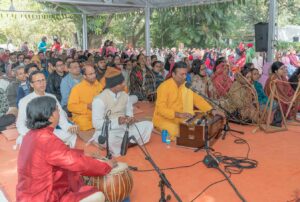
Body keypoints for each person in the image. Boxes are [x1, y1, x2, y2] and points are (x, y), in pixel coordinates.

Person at [17, 96, 113, 202]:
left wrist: (84, 154)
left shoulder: (29, 136)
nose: (59, 112)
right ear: (50, 117)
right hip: (46, 197)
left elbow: (58, 155)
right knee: (95, 192)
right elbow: (78, 163)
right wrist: (106, 166)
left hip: (26, 196)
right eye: (57, 109)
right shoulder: (47, 139)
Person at [153, 61, 222, 140]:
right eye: (182, 74)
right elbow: (161, 109)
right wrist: (178, 114)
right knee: (178, 131)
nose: (185, 77)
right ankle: (158, 129)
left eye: (186, 74)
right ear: (173, 74)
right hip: (164, 118)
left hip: (182, 116)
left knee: (200, 121)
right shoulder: (164, 87)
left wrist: (211, 110)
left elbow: (198, 100)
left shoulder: (186, 85)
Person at [91, 68, 153, 156]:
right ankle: (125, 143)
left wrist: (130, 119)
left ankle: (124, 144)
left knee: (148, 125)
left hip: (125, 127)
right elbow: (96, 124)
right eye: (121, 83)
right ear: (114, 85)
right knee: (111, 138)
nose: (124, 84)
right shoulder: (99, 100)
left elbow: (129, 112)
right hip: (109, 130)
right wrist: (117, 121)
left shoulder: (125, 96)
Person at [16, 71, 78, 147]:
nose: (42, 83)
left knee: (71, 134)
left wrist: (68, 127)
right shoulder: (24, 101)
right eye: (38, 81)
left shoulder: (52, 97)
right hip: (34, 133)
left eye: (43, 80)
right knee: (24, 141)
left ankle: (61, 149)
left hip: (50, 132)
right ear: (32, 84)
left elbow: (61, 117)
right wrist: (32, 135)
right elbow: (20, 124)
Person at [68, 64, 103, 131]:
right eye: (90, 74)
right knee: (83, 123)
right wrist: (86, 106)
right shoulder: (77, 88)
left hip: (98, 114)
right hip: (83, 116)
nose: (94, 75)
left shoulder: (99, 85)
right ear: (84, 76)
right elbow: (70, 106)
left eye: (94, 73)